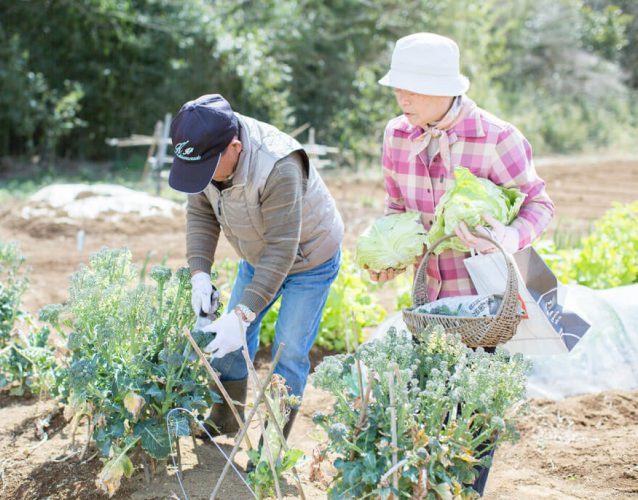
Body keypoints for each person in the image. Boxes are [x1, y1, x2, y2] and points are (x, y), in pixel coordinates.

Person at [370, 32, 555, 494]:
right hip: (428, 304)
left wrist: (508, 237)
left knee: (470, 417)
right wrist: (392, 252)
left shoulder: (497, 137)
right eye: (398, 86)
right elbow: (398, 208)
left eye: (412, 87)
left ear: (446, 87)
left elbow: (541, 206)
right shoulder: (396, 134)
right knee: (427, 411)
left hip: (484, 304)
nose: (401, 96)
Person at [168, 94, 344, 441]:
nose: (200, 177)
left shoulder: (278, 165)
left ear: (234, 147)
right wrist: (199, 275)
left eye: (205, 169)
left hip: (308, 258)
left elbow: (282, 249)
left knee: (289, 348)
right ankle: (226, 416)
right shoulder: (204, 149)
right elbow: (201, 213)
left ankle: (274, 441)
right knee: (231, 340)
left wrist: (243, 314)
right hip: (258, 255)